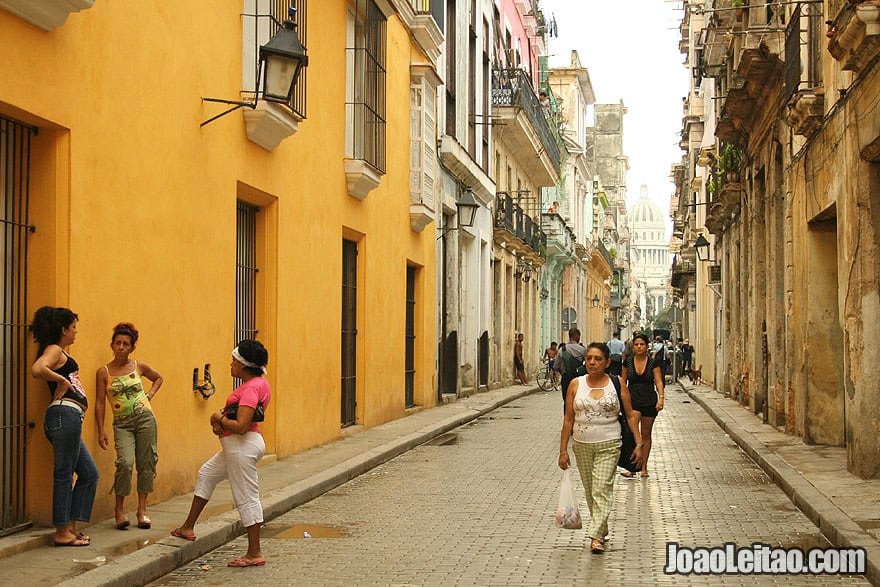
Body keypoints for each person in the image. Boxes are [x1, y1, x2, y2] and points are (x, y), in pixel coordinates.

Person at [171, 340, 271, 567]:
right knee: (207, 473)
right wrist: (221, 420)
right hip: (240, 445)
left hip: (241, 446)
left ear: (244, 365)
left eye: (234, 361)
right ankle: (188, 527)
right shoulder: (259, 383)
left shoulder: (250, 388)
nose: (231, 364)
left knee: (246, 496)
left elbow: (242, 424)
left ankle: (254, 552)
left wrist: (219, 419)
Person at [558, 342, 644, 553]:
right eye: (589, 359)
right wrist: (563, 450)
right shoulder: (575, 384)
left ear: (607, 362)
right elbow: (568, 419)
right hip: (582, 445)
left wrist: (639, 443)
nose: (592, 363)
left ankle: (595, 536)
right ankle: (602, 529)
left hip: (610, 443)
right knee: (590, 492)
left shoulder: (617, 383)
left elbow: (631, 414)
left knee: (601, 489)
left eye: (597, 359)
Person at [29, 306, 99, 547]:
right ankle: (61, 532)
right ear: (63, 330)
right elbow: (37, 369)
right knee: (64, 474)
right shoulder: (55, 349)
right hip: (64, 415)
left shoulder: (60, 351)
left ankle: (69, 527)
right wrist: (61, 379)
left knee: (89, 473)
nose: (76, 332)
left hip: (70, 418)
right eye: (73, 327)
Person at [95, 322, 164, 530]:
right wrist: (101, 430)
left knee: (146, 463)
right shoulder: (104, 372)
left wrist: (150, 394)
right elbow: (99, 402)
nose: (121, 347)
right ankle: (119, 510)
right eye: (118, 343)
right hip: (122, 423)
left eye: (126, 343)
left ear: (132, 347)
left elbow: (159, 378)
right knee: (124, 463)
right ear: (112, 345)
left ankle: (142, 510)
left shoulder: (138, 366)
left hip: (145, 419)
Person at [621, 333, 665, 478]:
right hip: (632, 401)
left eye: (642, 344)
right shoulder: (627, 362)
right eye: (636, 344)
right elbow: (623, 383)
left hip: (649, 400)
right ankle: (633, 467)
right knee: (633, 434)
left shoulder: (653, 363)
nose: (639, 347)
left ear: (647, 346)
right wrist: (621, 400)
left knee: (646, 435)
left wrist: (661, 398)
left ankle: (644, 467)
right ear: (633, 347)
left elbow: (658, 381)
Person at [555, 328, 587, 410]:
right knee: (580, 400)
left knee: (567, 401)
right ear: (577, 337)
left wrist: (562, 372)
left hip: (566, 379)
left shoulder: (562, 349)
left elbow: (556, 366)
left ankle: (567, 418)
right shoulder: (583, 350)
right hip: (579, 379)